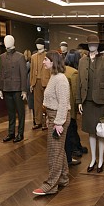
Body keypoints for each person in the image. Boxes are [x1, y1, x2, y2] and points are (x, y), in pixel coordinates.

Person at [32, 51, 70, 195]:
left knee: (54, 151)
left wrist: (58, 122)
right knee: (58, 149)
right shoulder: (54, 76)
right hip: (54, 116)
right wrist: (49, 118)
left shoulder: (60, 79)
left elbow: (63, 103)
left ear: (53, 62)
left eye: (46, 59)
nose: (43, 62)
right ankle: (63, 178)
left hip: (59, 118)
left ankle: (50, 185)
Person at [76, 34, 104, 173]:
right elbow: (79, 82)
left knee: (101, 132)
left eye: (95, 44)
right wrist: (79, 100)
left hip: (101, 101)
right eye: (90, 44)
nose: (92, 46)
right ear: (87, 46)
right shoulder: (82, 61)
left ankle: (101, 160)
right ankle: (93, 159)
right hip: (87, 101)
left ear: (98, 46)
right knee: (91, 132)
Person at [0, 35, 27, 143]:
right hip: (6, 88)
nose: (6, 42)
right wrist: (1, 88)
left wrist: (24, 90)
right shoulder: (2, 57)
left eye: (9, 40)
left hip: (17, 88)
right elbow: (1, 73)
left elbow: (23, 74)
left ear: (13, 42)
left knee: (20, 112)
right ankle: (11, 133)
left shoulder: (20, 56)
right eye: (5, 40)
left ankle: (20, 133)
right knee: (10, 113)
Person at [64, 49, 83, 165]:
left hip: (62, 106)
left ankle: (77, 147)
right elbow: (76, 93)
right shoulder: (74, 72)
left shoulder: (62, 70)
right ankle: (73, 152)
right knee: (71, 129)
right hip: (69, 107)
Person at [30, 38, 51, 130]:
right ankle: (38, 122)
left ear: (43, 45)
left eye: (40, 44)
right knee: (37, 104)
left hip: (46, 81)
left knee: (47, 103)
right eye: (37, 44)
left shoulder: (48, 55)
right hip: (36, 82)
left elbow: (50, 69)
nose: (38, 45)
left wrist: (51, 82)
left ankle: (46, 122)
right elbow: (31, 70)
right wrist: (31, 83)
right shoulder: (33, 56)